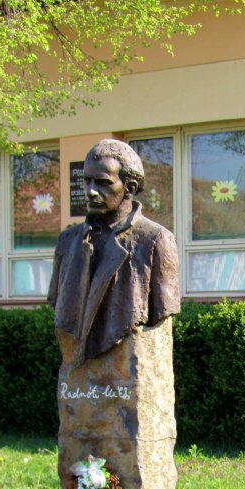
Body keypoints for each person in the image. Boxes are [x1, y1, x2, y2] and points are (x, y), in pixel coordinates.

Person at [48, 139, 180, 365]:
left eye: (102, 182)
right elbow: (57, 301)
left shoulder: (155, 240)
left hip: (128, 366)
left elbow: (162, 316)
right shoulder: (68, 241)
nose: (90, 191)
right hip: (78, 373)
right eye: (87, 181)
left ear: (129, 187)